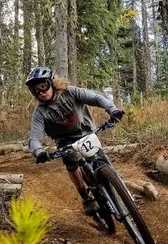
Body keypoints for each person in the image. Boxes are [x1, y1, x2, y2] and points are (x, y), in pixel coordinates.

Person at [25, 66, 124, 215]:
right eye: (35, 90)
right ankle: (86, 198)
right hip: (65, 141)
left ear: (51, 83)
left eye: (43, 87)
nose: (41, 93)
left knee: (101, 160)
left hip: (86, 133)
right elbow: (34, 137)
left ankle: (120, 189)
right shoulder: (40, 112)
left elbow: (96, 98)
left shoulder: (70, 92)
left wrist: (113, 110)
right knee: (70, 159)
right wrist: (39, 152)